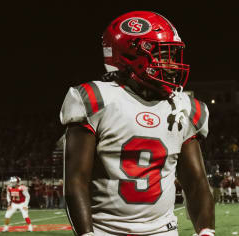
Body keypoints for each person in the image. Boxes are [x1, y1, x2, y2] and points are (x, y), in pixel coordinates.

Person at [61, 11, 215, 236]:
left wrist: (206, 232)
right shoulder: (97, 99)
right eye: (164, 55)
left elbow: (196, 182)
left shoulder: (182, 107)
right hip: (106, 230)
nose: (172, 65)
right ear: (130, 57)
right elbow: (76, 179)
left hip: (163, 231)